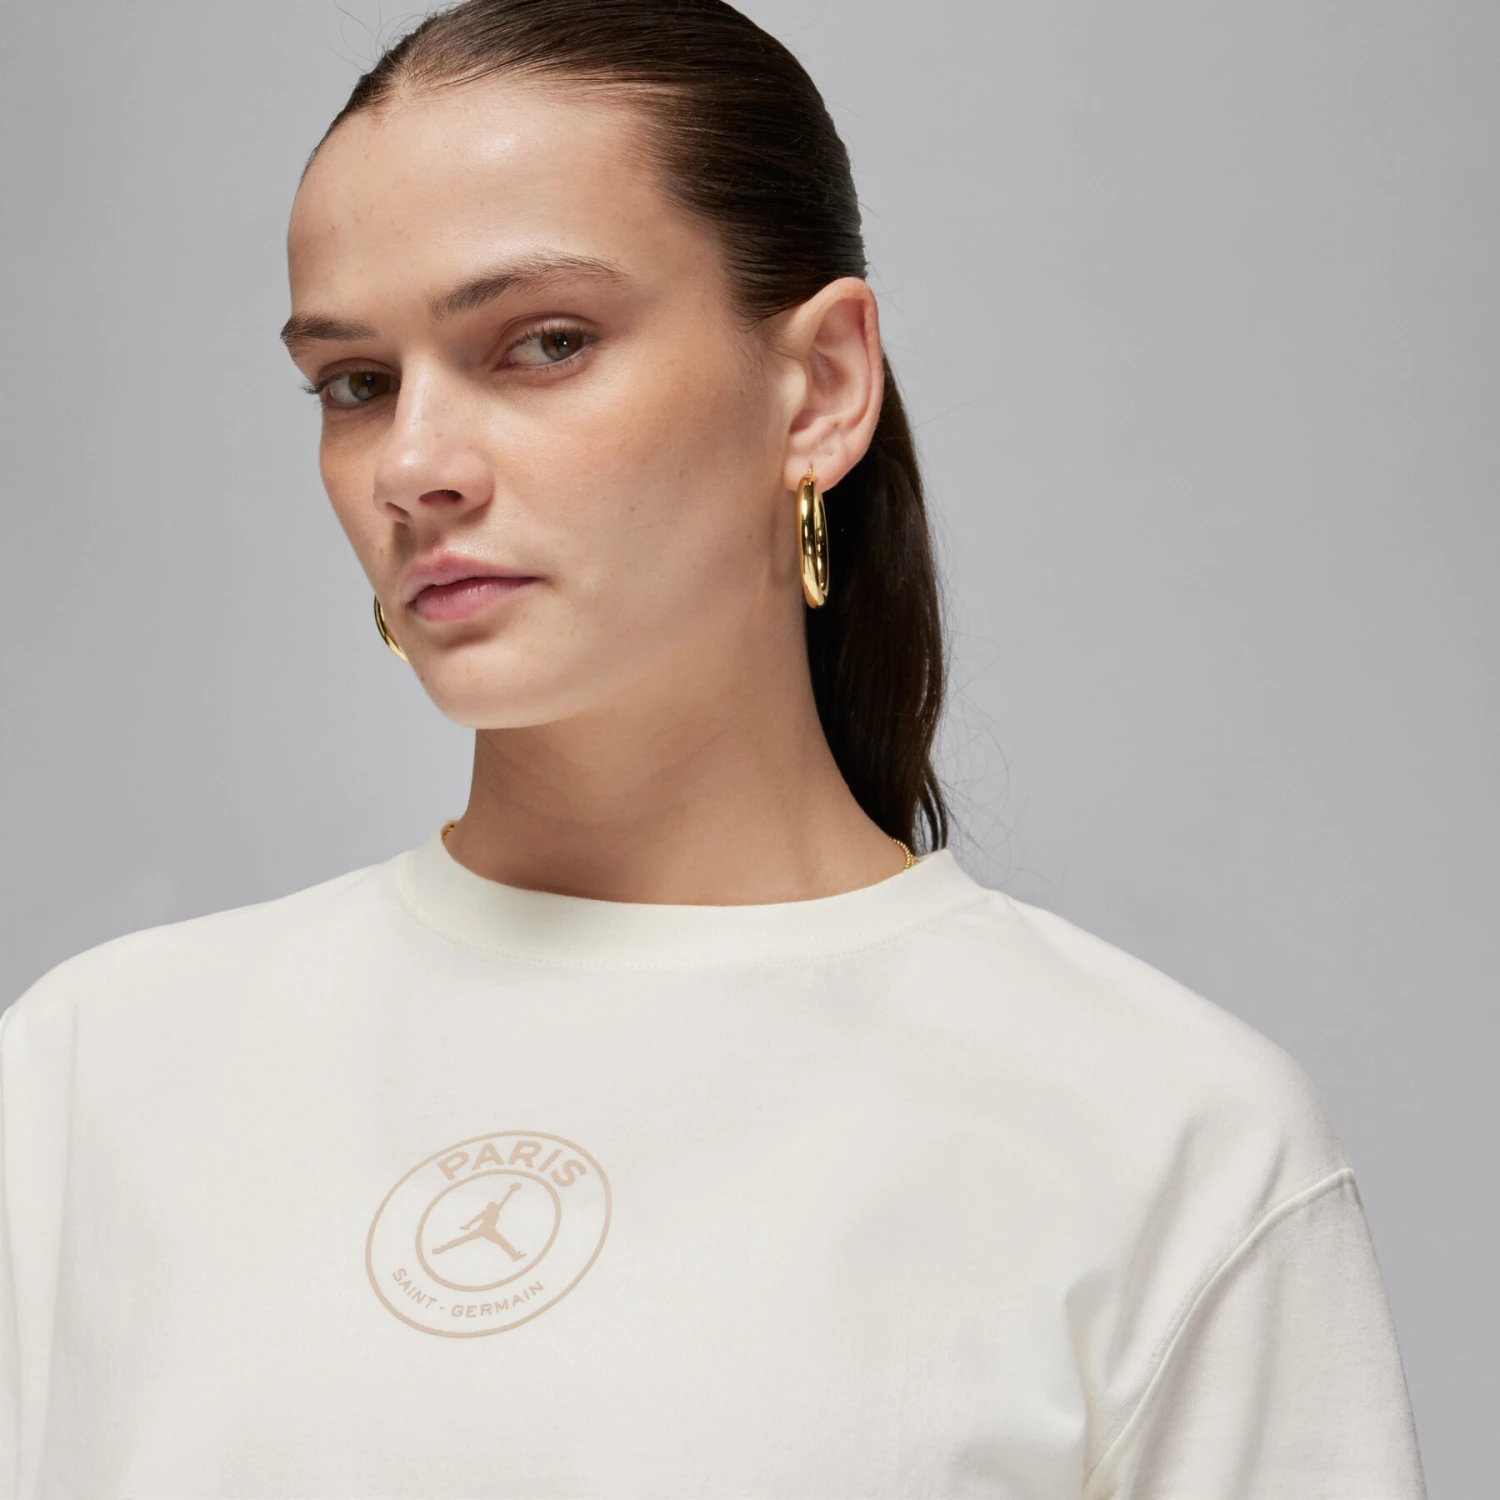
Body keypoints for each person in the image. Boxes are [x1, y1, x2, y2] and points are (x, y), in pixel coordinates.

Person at [0, 2, 1426, 1496]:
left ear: (822, 386)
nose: (412, 466)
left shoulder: (1170, 1138)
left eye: (544, 343)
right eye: (356, 381)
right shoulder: (93, 1079)